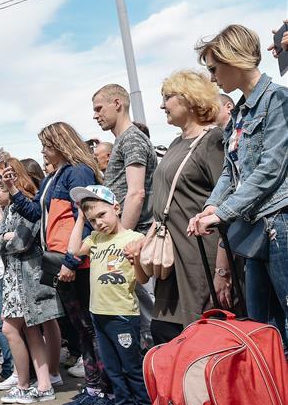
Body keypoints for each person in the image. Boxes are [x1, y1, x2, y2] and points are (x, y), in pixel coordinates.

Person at [2, 122, 115, 405]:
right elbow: (39, 215)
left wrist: (72, 260)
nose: (42, 150)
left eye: (46, 145)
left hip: (78, 263)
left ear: (60, 144)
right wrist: (13, 190)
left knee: (92, 329)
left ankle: (107, 389)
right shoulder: (59, 175)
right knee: (82, 330)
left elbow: (88, 220)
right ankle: (93, 386)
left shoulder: (77, 171)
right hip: (63, 261)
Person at [190, 24, 288, 351]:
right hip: (256, 230)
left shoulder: (278, 100)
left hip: (279, 224)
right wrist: (210, 208)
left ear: (234, 60)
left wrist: (223, 213)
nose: (212, 76)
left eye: (214, 68)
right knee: (263, 330)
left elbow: (270, 169)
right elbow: (230, 174)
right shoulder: (239, 115)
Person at [68, 185, 153, 405]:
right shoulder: (94, 240)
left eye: (102, 214)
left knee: (132, 368)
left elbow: (143, 277)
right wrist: (81, 217)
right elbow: (72, 251)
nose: (99, 222)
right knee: (113, 371)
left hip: (123, 315)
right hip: (99, 315)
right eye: (93, 219)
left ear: (116, 208)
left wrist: (136, 259)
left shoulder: (134, 238)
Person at [147, 71, 224, 344]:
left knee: (202, 337)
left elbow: (225, 199)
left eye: (167, 97)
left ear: (190, 98)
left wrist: (223, 270)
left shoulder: (213, 140)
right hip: (170, 257)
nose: (162, 105)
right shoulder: (176, 143)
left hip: (199, 257)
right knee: (164, 333)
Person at [0, 159, 63, 402]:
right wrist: (3, 239)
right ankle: (40, 382)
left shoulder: (29, 203)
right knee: (30, 329)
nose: (1, 182)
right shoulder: (13, 207)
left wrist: (5, 240)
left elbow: (21, 242)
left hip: (29, 275)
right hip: (14, 277)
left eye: (4, 177)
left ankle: (30, 381)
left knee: (15, 328)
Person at [92, 83, 157, 348]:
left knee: (151, 318)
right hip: (132, 241)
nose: (95, 115)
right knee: (142, 319)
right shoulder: (123, 141)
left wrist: (121, 241)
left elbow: (136, 193)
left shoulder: (130, 138)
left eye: (99, 108)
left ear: (117, 103)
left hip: (136, 240)